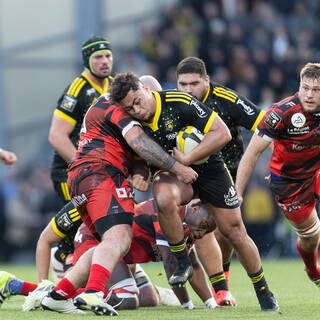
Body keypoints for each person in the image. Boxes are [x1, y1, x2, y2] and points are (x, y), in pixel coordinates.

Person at [108, 72, 279, 312]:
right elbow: (138, 156)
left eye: (137, 101)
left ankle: (264, 291)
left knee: (234, 230)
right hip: (171, 173)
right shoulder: (130, 123)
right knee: (164, 198)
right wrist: (141, 174)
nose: (137, 110)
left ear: (146, 89)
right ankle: (181, 261)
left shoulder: (179, 102)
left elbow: (222, 134)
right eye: (130, 108)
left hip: (209, 168)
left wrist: (187, 159)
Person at [40, 84, 197, 315]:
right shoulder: (116, 106)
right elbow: (140, 144)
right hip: (101, 174)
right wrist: (179, 169)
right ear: (141, 91)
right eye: (144, 102)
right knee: (120, 238)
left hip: (81, 177)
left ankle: (58, 295)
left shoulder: (111, 110)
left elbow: (134, 155)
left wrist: (140, 173)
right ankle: (93, 292)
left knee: (108, 245)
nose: (145, 111)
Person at [176, 57, 266, 285]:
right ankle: (212, 284)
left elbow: (265, 125)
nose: (188, 90)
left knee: (226, 232)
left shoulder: (226, 99)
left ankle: (222, 280)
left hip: (228, 173)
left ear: (207, 80)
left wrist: (271, 162)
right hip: (190, 175)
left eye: (194, 83)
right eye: (182, 84)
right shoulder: (172, 102)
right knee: (200, 225)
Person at [236, 62, 320, 288]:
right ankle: (313, 270)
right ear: (299, 87)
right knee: (311, 237)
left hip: (317, 172)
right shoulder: (280, 113)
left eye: (317, 90)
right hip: (289, 184)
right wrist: (238, 193)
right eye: (306, 88)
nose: (310, 95)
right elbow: (252, 152)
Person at [48, 35, 114, 269]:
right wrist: (83, 166)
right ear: (87, 60)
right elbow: (56, 136)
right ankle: (62, 264)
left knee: (98, 223)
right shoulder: (77, 90)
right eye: (98, 57)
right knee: (78, 222)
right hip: (69, 172)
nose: (105, 61)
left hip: (98, 171)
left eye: (108, 55)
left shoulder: (113, 86)